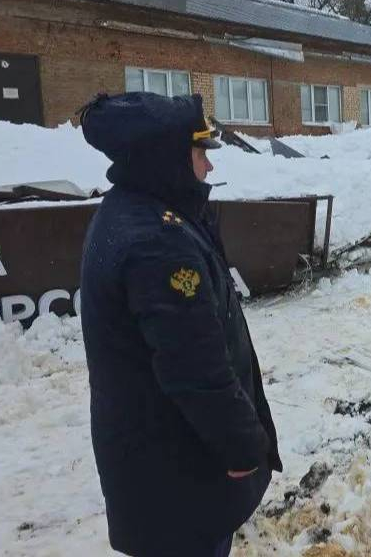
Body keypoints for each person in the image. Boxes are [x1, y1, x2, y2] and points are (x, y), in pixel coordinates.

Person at [79, 92, 281, 557]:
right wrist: (241, 444)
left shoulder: (132, 211)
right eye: (200, 152)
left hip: (158, 466)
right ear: (167, 158)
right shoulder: (158, 244)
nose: (209, 166)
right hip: (177, 474)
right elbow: (194, 366)